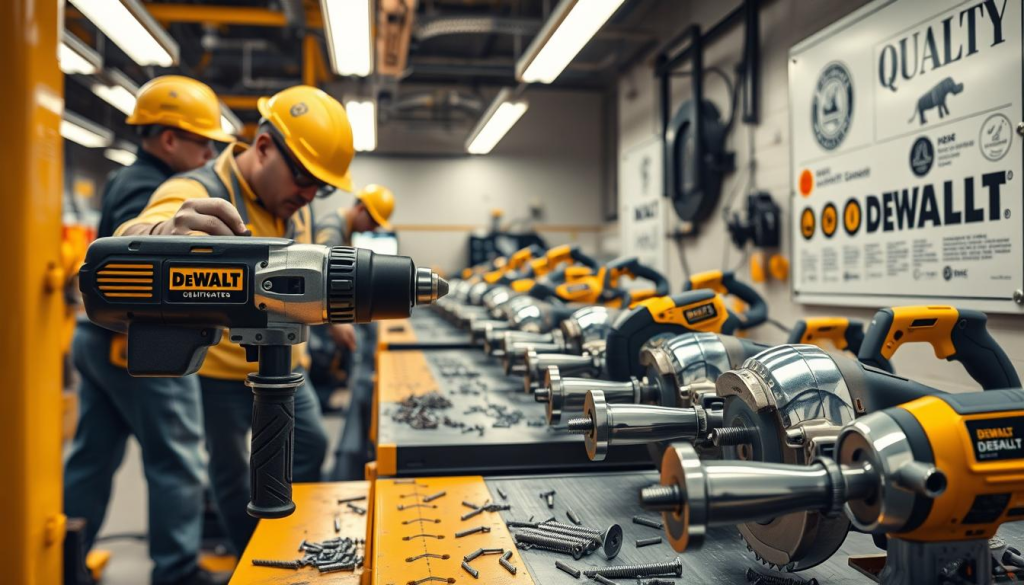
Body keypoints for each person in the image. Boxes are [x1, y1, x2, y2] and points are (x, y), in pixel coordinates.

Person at [114, 85, 354, 555]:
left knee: (310, 446)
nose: (310, 194)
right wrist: (162, 234)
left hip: (286, 366)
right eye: (304, 177)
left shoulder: (295, 206)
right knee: (232, 475)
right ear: (262, 147)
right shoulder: (198, 190)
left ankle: (292, 539)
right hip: (222, 376)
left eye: (321, 187)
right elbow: (135, 234)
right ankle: (253, 558)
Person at [64, 75, 235, 585]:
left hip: (94, 340)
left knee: (92, 458)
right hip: (135, 345)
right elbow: (135, 254)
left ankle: (63, 562)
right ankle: (177, 573)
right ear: (169, 139)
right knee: (177, 460)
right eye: (203, 142)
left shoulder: (125, 177)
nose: (209, 155)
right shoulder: (151, 189)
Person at [321, 185, 397, 480]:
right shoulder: (332, 228)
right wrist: (336, 322)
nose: (373, 229)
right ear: (360, 209)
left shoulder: (345, 231)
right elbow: (321, 274)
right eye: (373, 221)